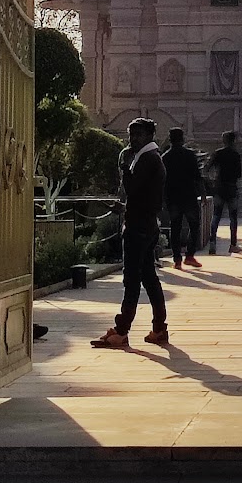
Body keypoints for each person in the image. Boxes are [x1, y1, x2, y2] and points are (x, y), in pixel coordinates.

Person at [91, 118, 169, 349]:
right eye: (131, 134)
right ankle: (159, 328)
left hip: (138, 228)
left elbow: (133, 189)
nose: (132, 139)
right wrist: (126, 207)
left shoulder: (147, 159)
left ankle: (122, 330)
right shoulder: (151, 158)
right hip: (146, 223)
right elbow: (144, 197)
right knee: (149, 278)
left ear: (149, 136)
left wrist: (125, 168)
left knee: (132, 279)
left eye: (138, 134)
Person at [162, 128, 204, 271]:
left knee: (175, 227)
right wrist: (203, 194)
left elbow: (162, 180)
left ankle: (177, 259)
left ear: (170, 139)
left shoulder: (165, 157)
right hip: (189, 196)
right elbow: (197, 176)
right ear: (183, 138)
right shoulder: (189, 155)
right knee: (194, 225)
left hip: (173, 197)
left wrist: (162, 198)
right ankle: (189, 255)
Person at [206, 130, 242, 255]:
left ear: (224, 140)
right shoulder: (236, 155)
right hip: (231, 188)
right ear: (233, 141)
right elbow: (239, 174)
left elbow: (207, 167)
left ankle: (212, 243)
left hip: (220, 188)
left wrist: (212, 180)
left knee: (216, 216)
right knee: (233, 218)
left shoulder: (218, 153)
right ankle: (233, 244)